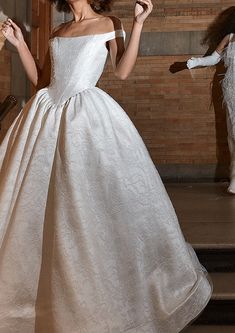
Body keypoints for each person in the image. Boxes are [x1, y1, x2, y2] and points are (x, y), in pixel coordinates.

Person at [0, 0, 211, 332]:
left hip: (85, 121)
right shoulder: (59, 30)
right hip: (46, 118)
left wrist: (139, 23)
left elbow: (123, 71)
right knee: (41, 208)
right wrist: (20, 45)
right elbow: (42, 83)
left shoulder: (109, 23)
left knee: (86, 208)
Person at [185, 7, 235, 194]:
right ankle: (234, 177)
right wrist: (196, 62)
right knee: (233, 134)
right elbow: (214, 58)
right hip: (232, 89)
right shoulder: (230, 37)